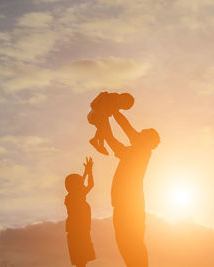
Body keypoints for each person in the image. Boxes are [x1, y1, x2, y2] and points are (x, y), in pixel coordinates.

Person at [103, 110, 160, 267]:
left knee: (132, 243)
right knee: (125, 244)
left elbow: (125, 126)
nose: (138, 133)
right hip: (122, 203)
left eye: (142, 133)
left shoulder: (143, 150)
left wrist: (113, 109)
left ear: (147, 140)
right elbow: (111, 140)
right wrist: (103, 120)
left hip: (130, 203)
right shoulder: (130, 152)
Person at [64, 157, 96, 267]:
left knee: (82, 262)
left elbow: (87, 185)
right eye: (80, 183)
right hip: (77, 233)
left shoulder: (75, 197)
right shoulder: (73, 198)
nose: (83, 185)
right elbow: (89, 185)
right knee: (81, 262)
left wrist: (87, 172)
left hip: (81, 232)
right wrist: (87, 172)